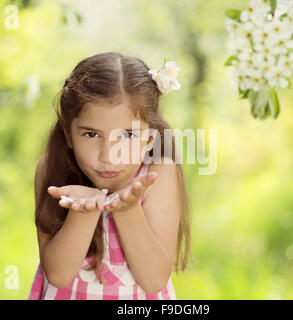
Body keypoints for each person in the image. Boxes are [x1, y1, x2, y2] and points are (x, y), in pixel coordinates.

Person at [27, 52, 191, 300]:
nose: (108, 156)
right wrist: (84, 211)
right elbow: (58, 275)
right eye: (91, 134)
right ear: (68, 133)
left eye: (126, 135)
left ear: (148, 140)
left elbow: (154, 280)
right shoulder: (51, 169)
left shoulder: (158, 175)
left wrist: (127, 209)